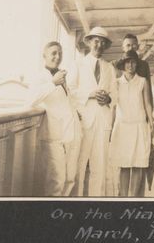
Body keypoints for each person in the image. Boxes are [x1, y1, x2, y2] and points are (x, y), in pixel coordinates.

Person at [67, 26, 117, 196]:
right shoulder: (78, 64)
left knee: (100, 165)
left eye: (103, 43)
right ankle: (77, 200)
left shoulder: (109, 67)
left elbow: (115, 94)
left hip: (103, 121)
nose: (99, 45)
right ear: (89, 42)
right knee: (79, 164)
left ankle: (97, 200)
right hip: (83, 121)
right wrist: (90, 93)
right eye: (96, 41)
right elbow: (70, 90)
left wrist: (108, 99)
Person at [29, 41, 82, 196]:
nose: (57, 56)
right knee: (56, 181)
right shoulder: (40, 77)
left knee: (70, 179)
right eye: (53, 53)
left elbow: (67, 101)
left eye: (60, 53)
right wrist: (52, 83)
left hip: (70, 134)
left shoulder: (62, 76)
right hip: (53, 136)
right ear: (44, 56)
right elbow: (30, 99)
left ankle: (62, 211)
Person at [109, 50, 154, 197]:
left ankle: (134, 198)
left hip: (139, 126)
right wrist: (109, 127)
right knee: (124, 165)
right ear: (123, 64)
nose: (130, 65)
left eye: (133, 62)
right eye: (127, 62)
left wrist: (151, 121)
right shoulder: (116, 83)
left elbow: (147, 104)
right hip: (122, 128)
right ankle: (123, 197)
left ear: (137, 64)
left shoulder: (142, 81)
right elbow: (113, 106)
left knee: (137, 165)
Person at [112, 33, 154, 108]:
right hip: (122, 109)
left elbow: (149, 91)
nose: (131, 48)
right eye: (128, 45)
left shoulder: (144, 65)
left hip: (139, 108)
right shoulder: (114, 65)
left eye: (134, 45)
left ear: (137, 47)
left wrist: (150, 112)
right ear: (123, 48)